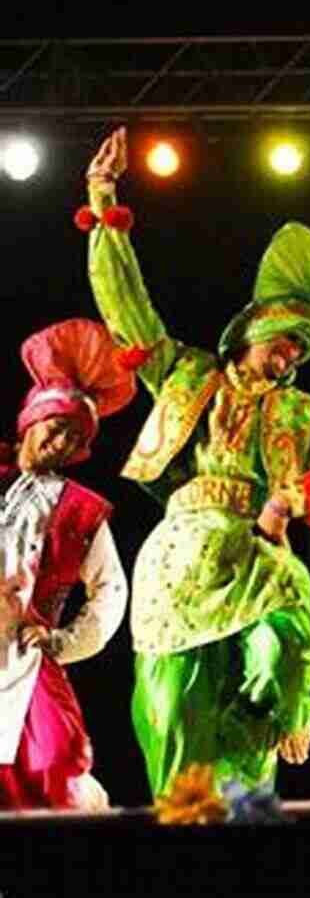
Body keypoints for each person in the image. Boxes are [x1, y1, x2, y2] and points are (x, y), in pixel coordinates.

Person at [82, 127, 310, 797]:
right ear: (250, 329)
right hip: (179, 560)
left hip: (253, 551)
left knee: (279, 640)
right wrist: (104, 204)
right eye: (283, 342)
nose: (289, 359)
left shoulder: (303, 413)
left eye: (301, 353)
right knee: (177, 724)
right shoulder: (187, 373)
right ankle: (181, 835)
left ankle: (289, 716)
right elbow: (129, 314)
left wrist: (295, 500)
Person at [0, 319, 133, 809]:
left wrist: (64, 640)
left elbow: (111, 589)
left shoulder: (79, 508)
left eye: (74, 441)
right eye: (56, 431)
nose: (61, 447)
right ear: (30, 422)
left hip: (24, 655)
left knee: (57, 757)